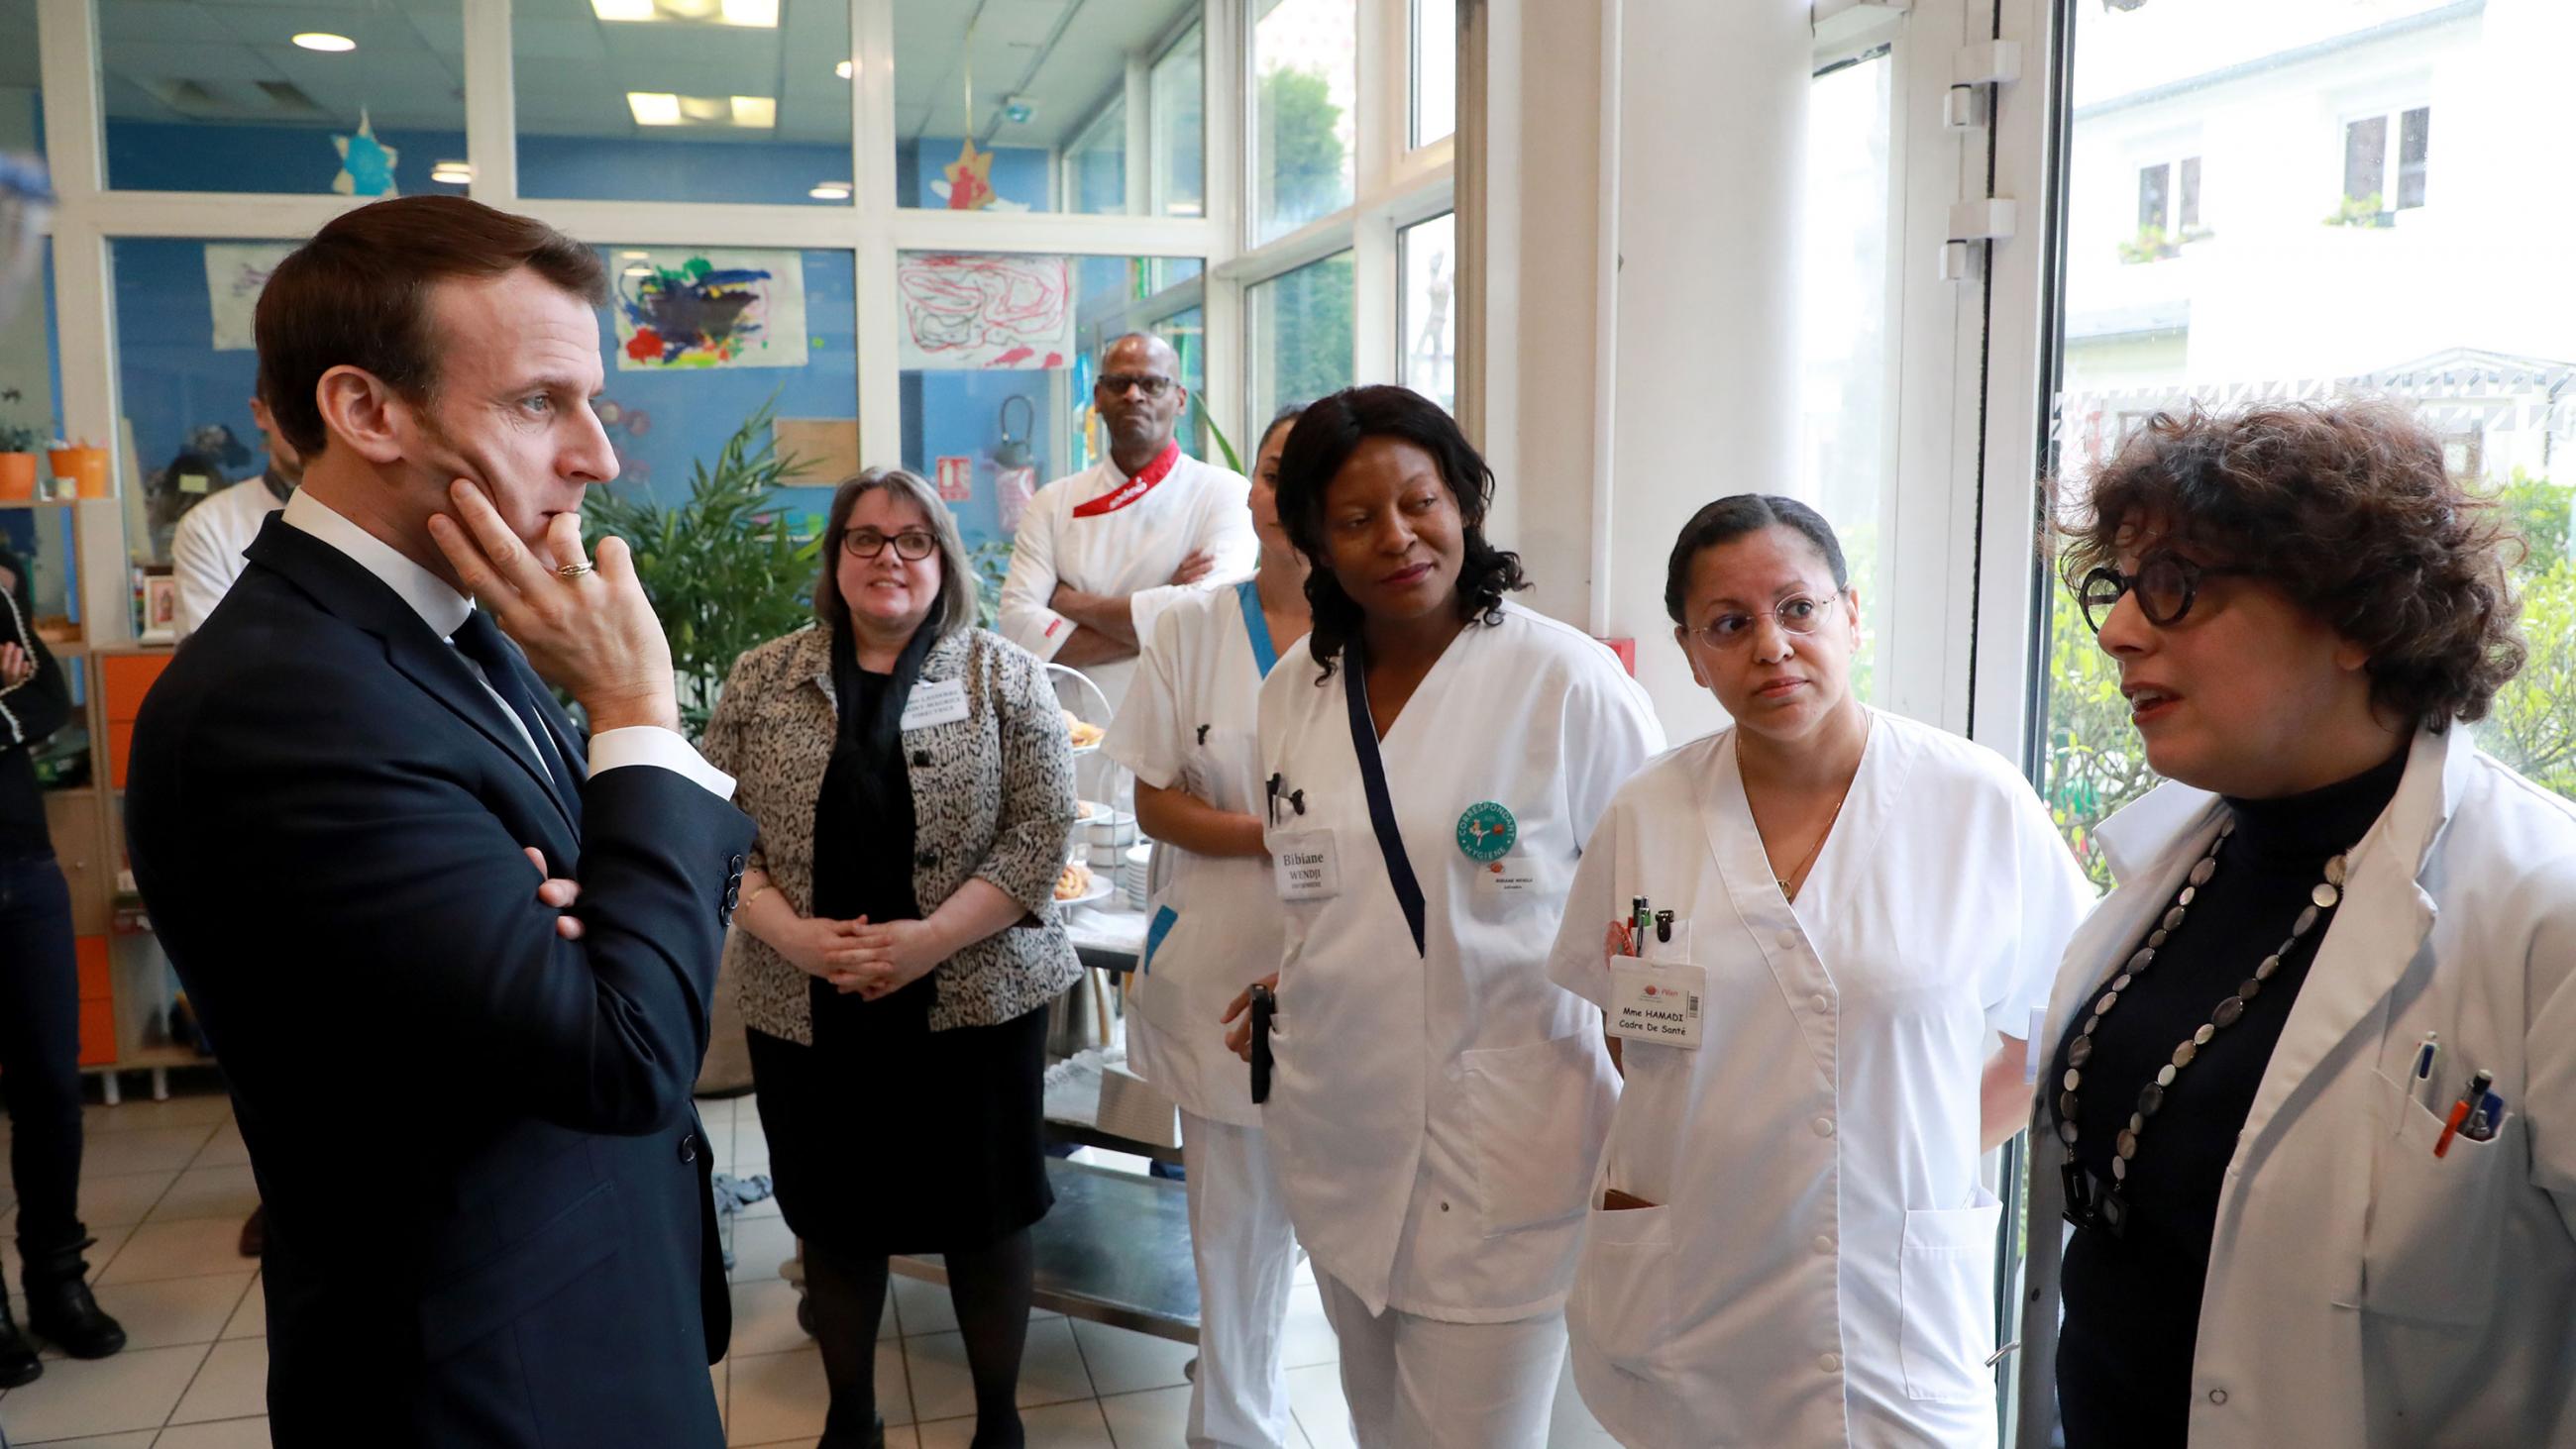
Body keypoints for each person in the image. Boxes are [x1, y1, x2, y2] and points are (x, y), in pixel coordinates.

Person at [123, 195, 756, 1445]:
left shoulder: (462, 618)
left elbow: (613, 925)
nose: (598, 455)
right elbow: (624, 1049)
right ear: (365, 411)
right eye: (538, 402)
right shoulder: (284, 701)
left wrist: (597, 904)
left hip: (597, 1307)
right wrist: (633, 707)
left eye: (589, 401)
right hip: (479, 1381)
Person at [2016, 402, 2576, 1448]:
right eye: (2116, 586)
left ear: (2355, 617)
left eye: (2172, 587)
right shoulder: (2175, 866)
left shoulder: (2542, 911)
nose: (2115, 630)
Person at [1547, 495, 2092, 1446]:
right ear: (1690, 650)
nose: (1771, 645)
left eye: (1797, 608)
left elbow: (2055, 1039)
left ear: (1849, 614)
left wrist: (1894, 1149)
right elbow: (1628, 1031)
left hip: (1890, 1300)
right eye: (1730, 623)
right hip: (1693, 1289)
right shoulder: (1648, 811)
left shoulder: (1975, 801)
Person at [1229, 385, 1664, 1448]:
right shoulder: (1294, 690)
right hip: (1338, 1126)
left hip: (1504, 1143)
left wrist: (1660, 1128)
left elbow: (1652, 911)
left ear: (1463, 499)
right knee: (1375, 1425)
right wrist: (1298, 977)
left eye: (1418, 500)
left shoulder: (1562, 681)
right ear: (1313, 544)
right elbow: (1321, 891)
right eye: (1353, 518)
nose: (1396, 537)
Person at [701, 466, 1080, 1449]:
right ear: (835, 558)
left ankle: (998, 1421)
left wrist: (928, 940)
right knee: (834, 1219)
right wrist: (790, 932)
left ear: (943, 557)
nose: (888, 557)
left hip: (974, 1004)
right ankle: (849, 1416)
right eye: (864, 537)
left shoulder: (1005, 674)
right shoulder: (763, 675)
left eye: (913, 538)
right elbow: (709, 829)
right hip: (808, 1000)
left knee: (986, 1217)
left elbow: (1041, 831)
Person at [1100, 403, 1311, 1449]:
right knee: (1231, 1227)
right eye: (1277, 469)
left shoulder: (1401, 640)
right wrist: (1280, 840)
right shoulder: (1187, 623)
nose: (1294, 489)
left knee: (1352, 1227)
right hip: (1222, 952)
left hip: (1361, 975)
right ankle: (1229, 1429)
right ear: (1251, 490)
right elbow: (1151, 798)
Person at [0, 544, 128, 1386]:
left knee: (52, 1082)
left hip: (24, 870)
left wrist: (13, 699)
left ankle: (57, 1280)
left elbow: (50, 697)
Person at [997, 332, 1256, 705]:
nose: (1134, 394)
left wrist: (1072, 605)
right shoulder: (1053, 502)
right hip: (1080, 735)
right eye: (1119, 383)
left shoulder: (1223, 492)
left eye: (1152, 384)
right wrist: (1162, 607)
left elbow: (1210, 615)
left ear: (1180, 399)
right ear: (1098, 398)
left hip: (1182, 728)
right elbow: (1018, 628)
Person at [171, 379, 304, 640]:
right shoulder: (208, 526)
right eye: (299, 403)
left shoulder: (382, 521)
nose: (314, 422)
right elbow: (210, 661)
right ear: (260, 413)